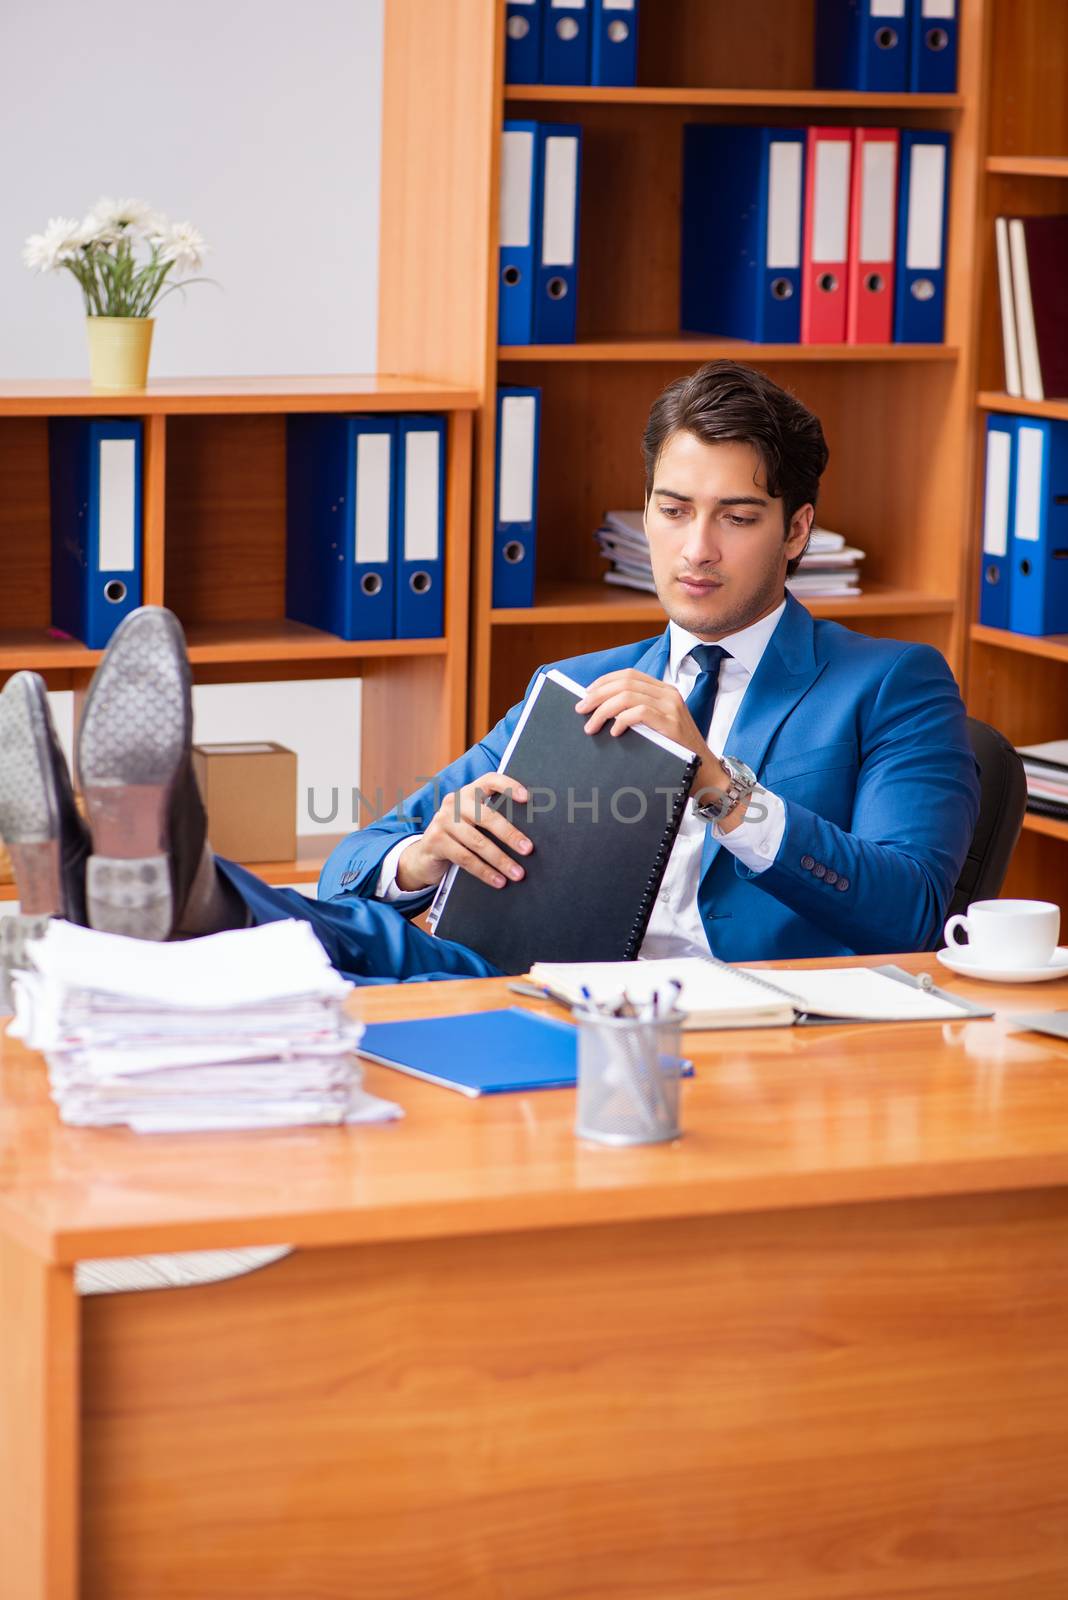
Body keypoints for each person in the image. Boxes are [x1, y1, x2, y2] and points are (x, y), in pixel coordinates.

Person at [0, 360, 979, 985]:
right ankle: (152, 881)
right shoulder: (581, 681)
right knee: (355, 930)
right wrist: (424, 854)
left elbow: (909, 906)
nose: (697, 547)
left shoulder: (892, 684)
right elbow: (361, 855)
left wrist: (719, 786)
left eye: (738, 515)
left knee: (352, 956)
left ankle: (152, 890)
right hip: (536, 980)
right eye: (674, 510)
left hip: (732, 1012)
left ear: (798, 529)